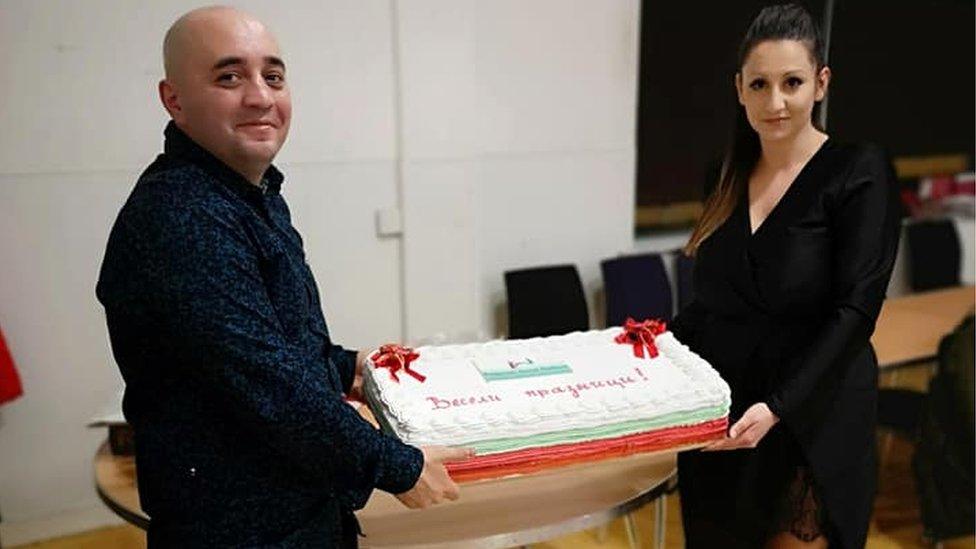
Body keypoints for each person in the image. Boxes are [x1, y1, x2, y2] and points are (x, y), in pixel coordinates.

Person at [96, 6, 470, 547]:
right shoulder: (181, 217)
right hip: (240, 531)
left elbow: (273, 340)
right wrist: (396, 466)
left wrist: (347, 367)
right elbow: (266, 384)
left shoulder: (248, 194)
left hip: (300, 513)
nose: (261, 97)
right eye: (229, 76)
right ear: (174, 100)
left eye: (273, 76)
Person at [671, 4, 900, 548]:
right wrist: (643, 347)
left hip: (812, 415)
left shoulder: (859, 170)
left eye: (792, 82)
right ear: (739, 89)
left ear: (820, 84)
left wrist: (777, 408)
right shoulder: (723, 173)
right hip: (728, 413)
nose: (775, 102)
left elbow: (856, 312)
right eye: (760, 84)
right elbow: (712, 308)